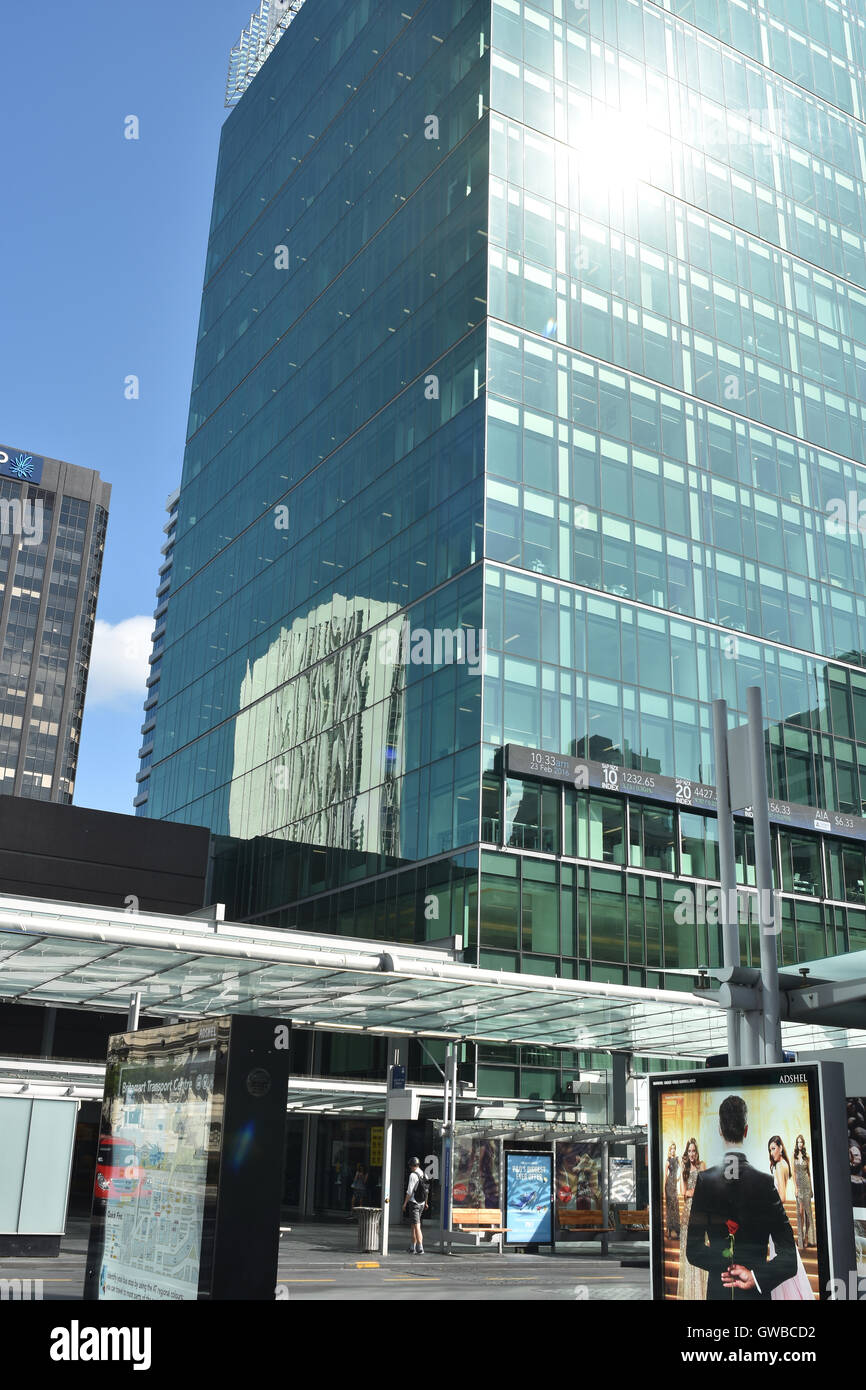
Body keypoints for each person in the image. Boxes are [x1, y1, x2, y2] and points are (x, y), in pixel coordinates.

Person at [686, 1095, 797, 1301]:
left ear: (720, 1130)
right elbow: (790, 1258)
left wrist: (726, 1262)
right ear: (746, 1130)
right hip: (755, 1295)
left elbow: (693, 1251)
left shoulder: (705, 1181)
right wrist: (755, 1275)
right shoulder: (765, 1183)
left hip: (719, 1291)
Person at [676, 1138, 707, 1300]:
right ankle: (691, 1295)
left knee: (701, 1251)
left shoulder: (703, 1166)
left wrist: (696, 1191)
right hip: (688, 1214)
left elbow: (707, 1189)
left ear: (697, 1152)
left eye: (694, 1151)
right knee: (689, 1253)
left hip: (701, 1214)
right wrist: (697, 1190)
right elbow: (683, 1192)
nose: (692, 1154)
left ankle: (701, 1294)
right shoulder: (685, 1168)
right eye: (689, 1151)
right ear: (686, 1153)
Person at [792, 1135, 816, 1249]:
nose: (800, 1144)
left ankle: (807, 1238)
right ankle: (800, 1240)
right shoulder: (794, 1155)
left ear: (803, 1143)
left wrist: (811, 1189)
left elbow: (809, 1173)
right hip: (799, 1187)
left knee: (807, 1213)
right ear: (796, 1144)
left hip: (806, 1186)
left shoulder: (807, 1157)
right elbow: (794, 1173)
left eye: (801, 1142)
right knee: (799, 1213)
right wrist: (796, 1188)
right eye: (798, 1142)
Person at [402, 1156, 428, 1255]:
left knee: (417, 1226)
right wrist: (426, 1202)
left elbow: (409, 1191)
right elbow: (426, 1190)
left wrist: (404, 1204)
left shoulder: (413, 1175)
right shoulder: (423, 1173)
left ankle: (420, 1247)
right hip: (421, 1203)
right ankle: (412, 1247)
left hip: (414, 1203)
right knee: (413, 1225)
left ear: (412, 1166)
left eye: (410, 1166)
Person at [768, 1135, 792, 1202]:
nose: (771, 1153)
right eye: (770, 1150)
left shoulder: (779, 1165)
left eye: (773, 1149)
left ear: (780, 1148)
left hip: (776, 1210)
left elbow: (782, 1198)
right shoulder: (785, 1163)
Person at [665, 1142, 680, 1238]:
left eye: (674, 1148)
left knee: (676, 1206)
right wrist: (664, 1189)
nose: (673, 1150)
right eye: (671, 1148)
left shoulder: (678, 1159)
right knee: (670, 1208)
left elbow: (681, 1170)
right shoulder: (668, 1160)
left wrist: (678, 1178)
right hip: (669, 1185)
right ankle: (670, 1231)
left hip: (674, 1185)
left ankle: (677, 1230)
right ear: (669, 1150)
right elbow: (665, 1174)